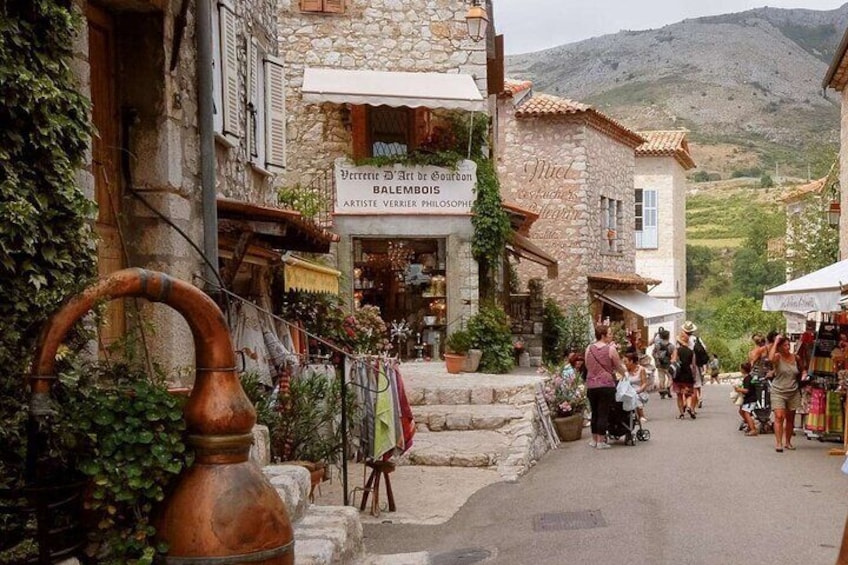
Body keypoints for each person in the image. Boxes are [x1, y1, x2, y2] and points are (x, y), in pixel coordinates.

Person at [585, 324, 625, 450]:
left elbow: (587, 365)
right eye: (609, 333)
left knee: (594, 412)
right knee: (603, 412)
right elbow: (618, 365)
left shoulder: (589, 349)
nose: (611, 335)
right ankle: (601, 441)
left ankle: (594, 439)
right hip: (606, 384)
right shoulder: (610, 349)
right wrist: (624, 374)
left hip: (591, 384)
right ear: (603, 335)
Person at [769, 334, 804, 452]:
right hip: (778, 391)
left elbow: (801, 369)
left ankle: (788, 442)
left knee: (790, 418)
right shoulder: (777, 357)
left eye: (789, 345)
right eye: (784, 345)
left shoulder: (796, 358)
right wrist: (775, 341)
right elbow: (770, 358)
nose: (788, 347)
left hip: (793, 391)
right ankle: (779, 443)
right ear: (779, 347)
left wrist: (803, 376)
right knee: (779, 416)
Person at [671, 330, 697, 419]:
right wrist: (694, 376)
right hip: (688, 375)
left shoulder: (677, 350)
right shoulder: (691, 352)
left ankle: (682, 413)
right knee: (688, 394)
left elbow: (673, 362)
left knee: (679, 395)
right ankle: (689, 407)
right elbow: (693, 365)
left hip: (678, 375)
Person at [681, 320, 703, 411]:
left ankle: (685, 402)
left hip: (684, 366)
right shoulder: (697, 339)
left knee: (684, 386)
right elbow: (703, 349)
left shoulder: (681, 340)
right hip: (695, 365)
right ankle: (693, 407)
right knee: (695, 387)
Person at [623, 352, 649, 423]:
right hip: (628, 390)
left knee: (635, 396)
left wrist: (638, 391)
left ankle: (641, 416)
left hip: (640, 391)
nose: (625, 363)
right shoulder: (625, 371)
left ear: (631, 361)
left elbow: (644, 383)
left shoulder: (641, 369)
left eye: (626, 362)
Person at [651, 327, 675, 399]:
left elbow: (653, 353)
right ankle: (668, 388)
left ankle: (662, 392)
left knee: (661, 378)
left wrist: (656, 359)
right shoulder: (671, 346)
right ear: (668, 336)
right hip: (667, 364)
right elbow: (674, 355)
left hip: (659, 364)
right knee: (671, 377)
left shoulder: (657, 345)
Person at [736, 361, 758, 436]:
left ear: (743, 369)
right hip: (748, 399)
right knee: (742, 411)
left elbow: (747, 390)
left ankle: (753, 429)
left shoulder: (747, 379)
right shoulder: (748, 378)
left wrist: (738, 389)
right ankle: (749, 424)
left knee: (746, 413)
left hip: (750, 399)